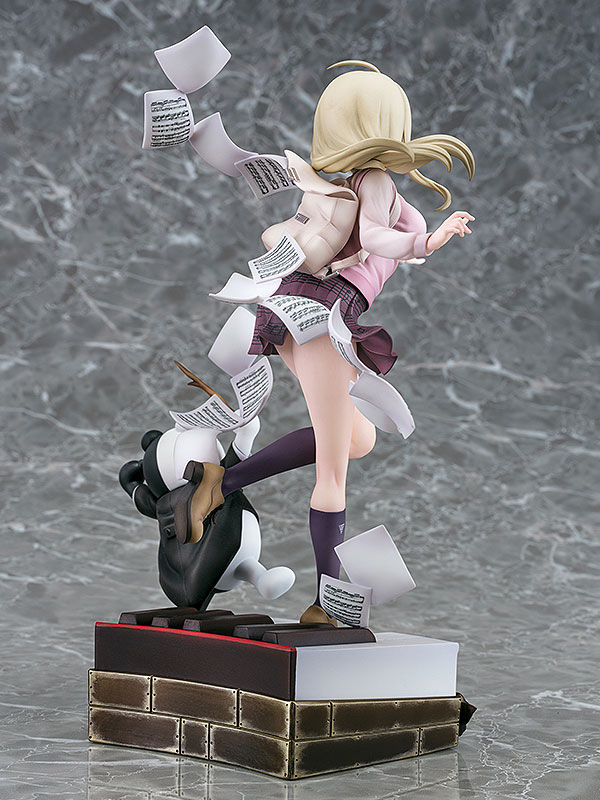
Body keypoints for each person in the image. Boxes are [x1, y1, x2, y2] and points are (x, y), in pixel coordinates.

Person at [173, 60, 475, 624]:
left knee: (357, 437)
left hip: (298, 309)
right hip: (322, 319)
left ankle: (221, 481)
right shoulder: (374, 182)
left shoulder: (335, 179)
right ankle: (325, 605)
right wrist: (430, 241)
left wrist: (417, 237)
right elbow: (377, 236)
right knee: (333, 471)